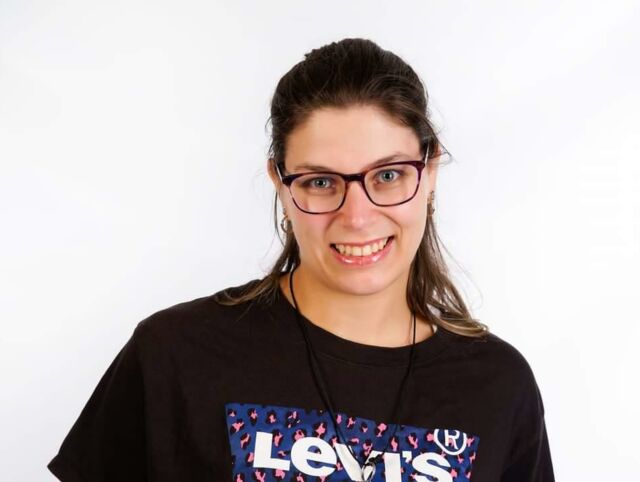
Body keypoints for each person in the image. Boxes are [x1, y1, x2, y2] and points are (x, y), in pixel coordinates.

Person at [47, 38, 555, 481]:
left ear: (430, 168)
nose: (357, 216)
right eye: (320, 181)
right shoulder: (174, 354)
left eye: (387, 176)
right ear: (281, 183)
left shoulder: (497, 386)